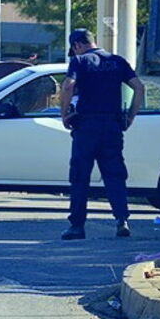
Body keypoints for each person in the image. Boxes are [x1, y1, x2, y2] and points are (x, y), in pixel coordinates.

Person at [59, 29, 145, 240]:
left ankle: (77, 226)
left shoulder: (79, 61)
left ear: (77, 45)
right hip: (112, 126)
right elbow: (139, 87)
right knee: (114, 174)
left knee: (80, 176)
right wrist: (130, 116)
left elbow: (68, 86)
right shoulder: (117, 61)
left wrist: (64, 114)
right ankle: (121, 220)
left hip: (86, 126)